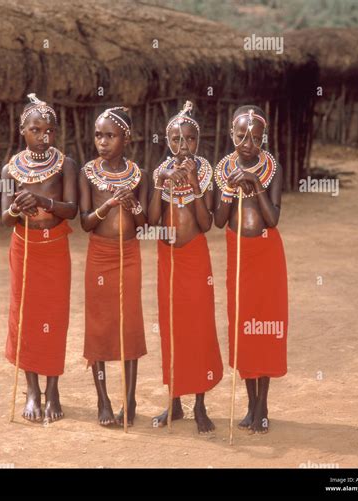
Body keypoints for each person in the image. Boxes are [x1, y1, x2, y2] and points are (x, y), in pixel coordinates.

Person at [1, 93, 78, 423]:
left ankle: (54, 388)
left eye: (49, 131)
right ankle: (32, 389)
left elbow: (72, 210)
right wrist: (18, 207)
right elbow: (5, 217)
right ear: (23, 130)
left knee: (55, 315)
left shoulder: (66, 165)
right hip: (25, 247)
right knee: (27, 315)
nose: (43, 136)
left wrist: (44, 203)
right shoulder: (10, 169)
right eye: (36, 130)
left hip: (55, 247)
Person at [148, 101, 223, 434]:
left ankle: (200, 405)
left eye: (189, 139)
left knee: (199, 328)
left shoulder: (206, 172)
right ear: (168, 142)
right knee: (171, 327)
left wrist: (192, 184)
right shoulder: (160, 171)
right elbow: (151, 221)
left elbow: (207, 224)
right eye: (176, 140)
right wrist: (160, 182)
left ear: (198, 140)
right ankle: (174, 402)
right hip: (168, 260)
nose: (183, 146)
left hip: (195, 258)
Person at [214, 105, 288, 434]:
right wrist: (231, 189)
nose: (247, 143)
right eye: (241, 136)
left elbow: (272, 219)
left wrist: (255, 182)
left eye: (255, 138)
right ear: (231, 134)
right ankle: (248, 402)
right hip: (238, 252)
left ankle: (263, 404)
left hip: (266, 252)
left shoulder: (272, 168)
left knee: (266, 325)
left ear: (264, 139)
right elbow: (218, 221)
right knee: (243, 325)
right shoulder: (223, 169)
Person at [78, 107, 148, 427]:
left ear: (126, 138)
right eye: (98, 135)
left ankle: (129, 401)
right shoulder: (87, 172)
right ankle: (103, 399)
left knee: (129, 326)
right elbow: (85, 223)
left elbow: (144, 224)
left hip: (129, 256)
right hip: (100, 256)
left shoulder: (139, 175)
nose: (102, 142)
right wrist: (107, 204)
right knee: (100, 326)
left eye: (110, 136)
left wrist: (134, 206)